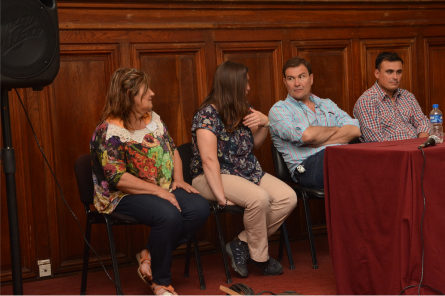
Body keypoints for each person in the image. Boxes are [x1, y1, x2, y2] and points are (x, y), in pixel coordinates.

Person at [90, 68, 209, 296]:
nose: (153, 93)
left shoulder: (152, 119)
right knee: (168, 215)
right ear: (129, 95)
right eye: (146, 91)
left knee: (199, 207)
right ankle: (161, 283)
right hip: (122, 195)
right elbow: (118, 178)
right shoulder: (108, 132)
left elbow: (171, 148)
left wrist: (178, 179)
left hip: (161, 187)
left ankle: (150, 256)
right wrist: (158, 192)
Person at [190, 61, 296, 278]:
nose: (248, 88)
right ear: (233, 85)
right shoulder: (207, 115)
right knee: (259, 198)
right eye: (245, 83)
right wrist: (220, 197)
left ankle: (241, 243)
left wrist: (265, 124)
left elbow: (254, 144)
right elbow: (209, 160)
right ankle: (261, 258)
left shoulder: (243, 108)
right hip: (211, 177)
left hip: (246, 171)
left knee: (288, 197)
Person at [268, 57, 360, 189]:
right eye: (291, 78)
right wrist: (338, 129)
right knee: (353, 163)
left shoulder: (327, 104)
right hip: (305, 167)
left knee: (368, 155)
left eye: (301, 76)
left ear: (311, 79)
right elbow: (307, 136)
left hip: (340, 157)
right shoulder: (279, 110)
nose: (297, 83)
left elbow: (355, 130)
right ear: (285, 82)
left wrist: (320, 141)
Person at [353, 52, 431, 142]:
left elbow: (423, 122)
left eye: (399, 72)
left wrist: (421, 144)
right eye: (389, 72)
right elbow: (376, 141)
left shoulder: (408, 96)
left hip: (416, 149)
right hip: (389, 153)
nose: (395, 77)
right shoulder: (367, 101)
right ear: (377, 74)